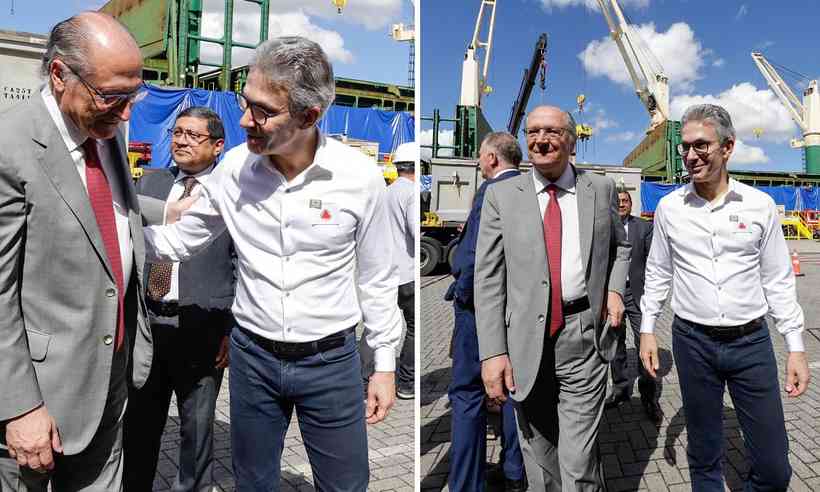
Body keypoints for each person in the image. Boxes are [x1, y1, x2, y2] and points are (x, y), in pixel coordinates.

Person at [142, 36, 402, 491]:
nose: (245, 120)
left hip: (332, 363)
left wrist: (383, 364)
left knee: (345, 484)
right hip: (253, 361)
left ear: (309, 116)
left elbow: (376, 277)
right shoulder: (235, 169)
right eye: (246, 103)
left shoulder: (359, 178)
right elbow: (181, 240)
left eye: (263, 111)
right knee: (254, 482)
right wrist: (109, 231)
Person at [0, 12, 152, 490]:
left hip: (109, 374)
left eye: (134, 94)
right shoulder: (10, 147)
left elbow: (104, 213)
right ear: (59, 73)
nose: (126, 112)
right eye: (111, 95)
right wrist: (19, 406)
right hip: (40, 394)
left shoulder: (106, 131)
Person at [639, 103, 810, 490]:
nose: (690, 154)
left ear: (728, 147)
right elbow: (658, 272)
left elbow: (778, 279)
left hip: (751, 343)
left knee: (774, 470)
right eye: (685, 146)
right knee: (703, 454)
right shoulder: (670, 208)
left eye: (702, 145)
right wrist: (648, 329)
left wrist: (795, 347)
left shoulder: (760, 206)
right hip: (692, 341)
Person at [475, 105, 630, 490]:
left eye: (552, 132)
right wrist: (492, 353)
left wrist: (613, 289)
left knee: (577, 461)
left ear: (572, 141)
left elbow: (622, 247)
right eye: (533, 132)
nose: (541, 140)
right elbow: (488, 278)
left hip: (584, 335)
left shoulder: (602, 189)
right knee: (539, 457)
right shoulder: (502, 196)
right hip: (525, 342)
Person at [123, 107, 235, 491]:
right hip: (147, 327)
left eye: (193, 135)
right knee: (138, 429)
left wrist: (230, 331)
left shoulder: (229, 193)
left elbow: (243, 266)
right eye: (177, 132)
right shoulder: (150, 184)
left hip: (202, 329)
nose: (181, 141)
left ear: (218, 146)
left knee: (197, 434)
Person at [445, 131, 526, 492]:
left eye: (480, 156)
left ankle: (465, 483)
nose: (478, 162)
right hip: (516, 311)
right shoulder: (529, 193)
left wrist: (461, 295)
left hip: (478, 311)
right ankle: (514, 472)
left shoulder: (490, 192)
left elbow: (476, 258)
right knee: (512, 391)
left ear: (493, 158)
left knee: (466, 396)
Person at [605, 190, 661, 422]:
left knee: (643, 343)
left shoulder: (644, 227)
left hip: (637, 294)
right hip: (613, 295)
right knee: (616, 343)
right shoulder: (605, 226)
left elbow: (652, 261)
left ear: (631, 204)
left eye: (626, 201)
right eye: (618, 202)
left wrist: (652, 294)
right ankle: (620, 389)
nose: (622, 205)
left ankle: (649, 396)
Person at [385, 142, 417, 400]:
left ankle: (361, 377)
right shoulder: (411, 193)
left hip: (383, 273)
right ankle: (406, 383)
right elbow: (416, 232)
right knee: (415, 327)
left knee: (380, 327)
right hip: (406, 273)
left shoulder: (386, 192)